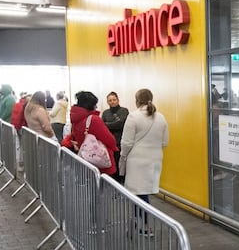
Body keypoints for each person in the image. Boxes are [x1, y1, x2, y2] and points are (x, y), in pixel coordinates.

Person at [119, 89, 169, 235]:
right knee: (142, 193)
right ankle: (138, 221)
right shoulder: (161, 117)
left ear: (137, 100)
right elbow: (165, 142)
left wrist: (123, 156)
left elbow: (126, 143)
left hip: (137, 161)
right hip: (155, 159)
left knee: (138, 193)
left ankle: (145, 225)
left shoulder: (133, 117)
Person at [62, 91, 118, 176]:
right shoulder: (93, 120)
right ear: (90, 105)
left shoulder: (75, 119)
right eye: (95, 104)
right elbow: (110, 140)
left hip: (86, 160)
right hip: (101, 162)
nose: (96, 107)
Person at [102, 91, 129, 182]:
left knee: (120, 168)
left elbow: (120, 124)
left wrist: (107, 124)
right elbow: (102, 126)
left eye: (114, 100)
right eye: (110, 100)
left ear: (118, 100)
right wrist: (112, 124)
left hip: (120, 143)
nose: (112, 102)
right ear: (107, 102)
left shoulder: (124, 111)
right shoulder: (105, 113)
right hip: (109, 144)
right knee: (111, 167)